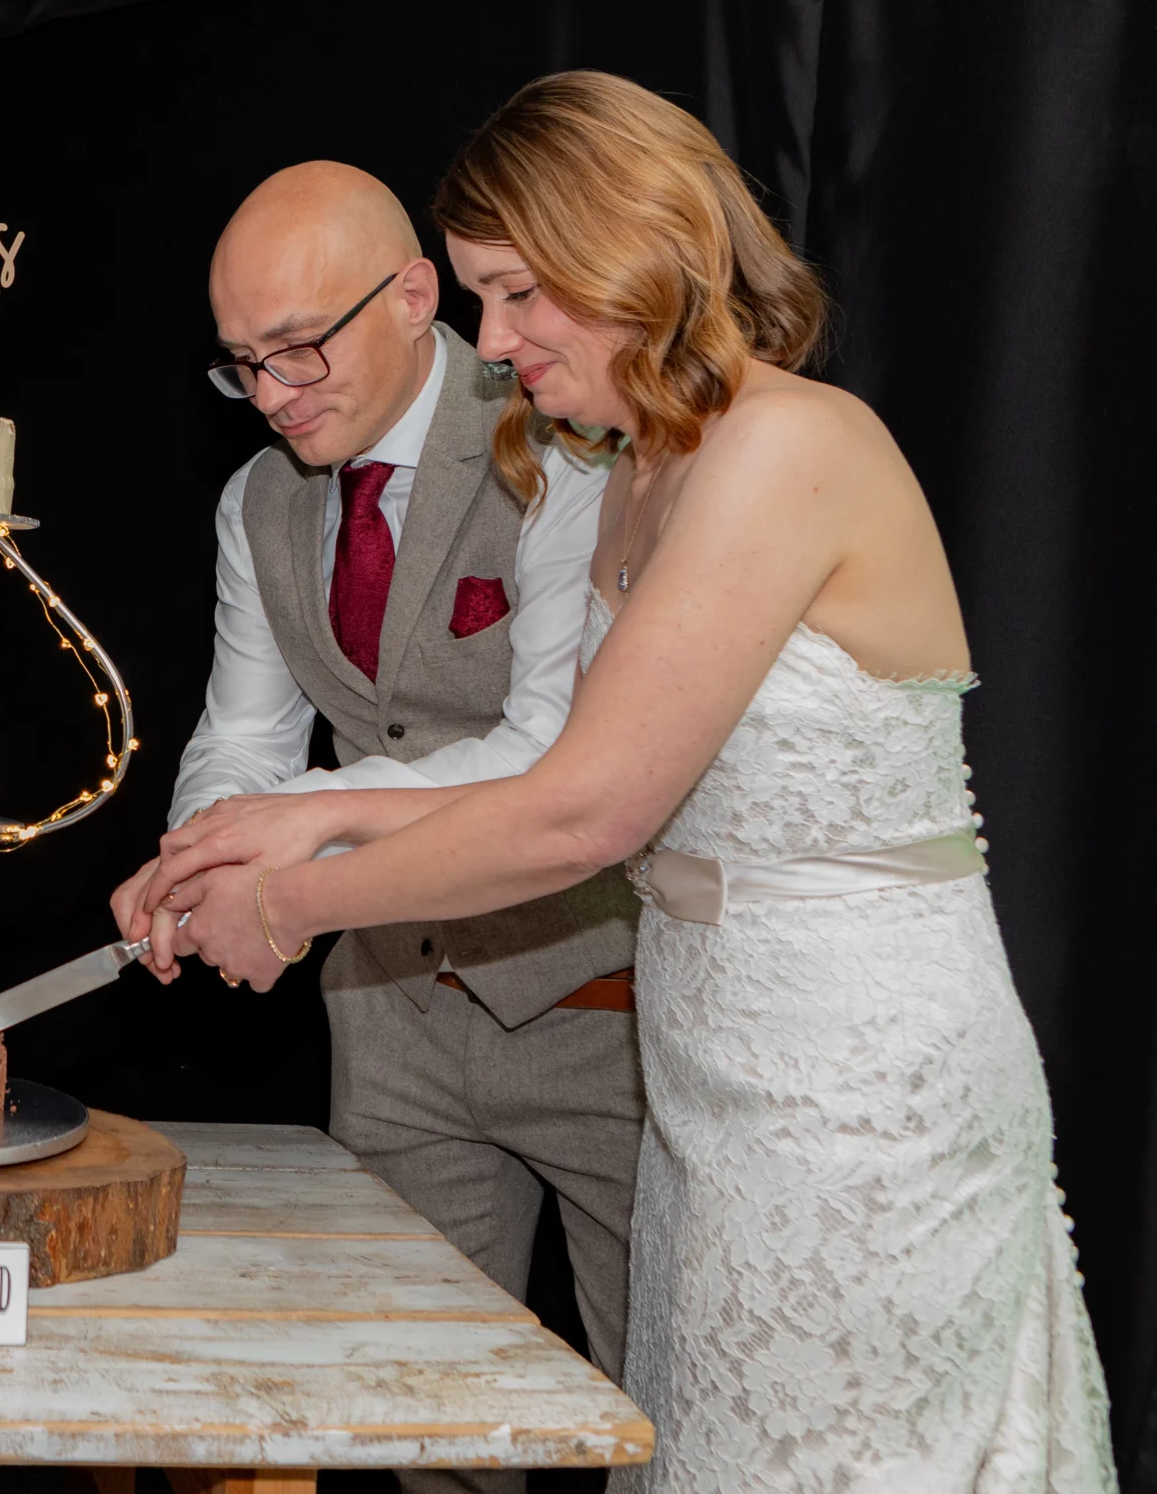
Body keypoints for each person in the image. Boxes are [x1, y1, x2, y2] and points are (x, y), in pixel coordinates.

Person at [133, 72, 1114, 1490]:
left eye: (523, 292)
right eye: (481, 296)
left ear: (644, 246)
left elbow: (586, 804)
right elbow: (555, 763)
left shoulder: (790, 440)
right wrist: (287, 812)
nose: (497, 338)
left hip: (858, 1080)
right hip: (708, 1064)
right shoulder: (640, 464)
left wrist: (291, 897)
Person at [109, 160, 637, 1494]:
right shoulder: (258, 501)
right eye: (243, 365)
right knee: (422, 1420)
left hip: (597, 999)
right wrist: (195, 864)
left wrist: (281, 844)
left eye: (299, 348)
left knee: (657, 1400)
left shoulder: (561, 440)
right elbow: (243, 736)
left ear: (413, 295)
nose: (276, 394)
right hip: (387, 1005)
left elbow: (548, 750)